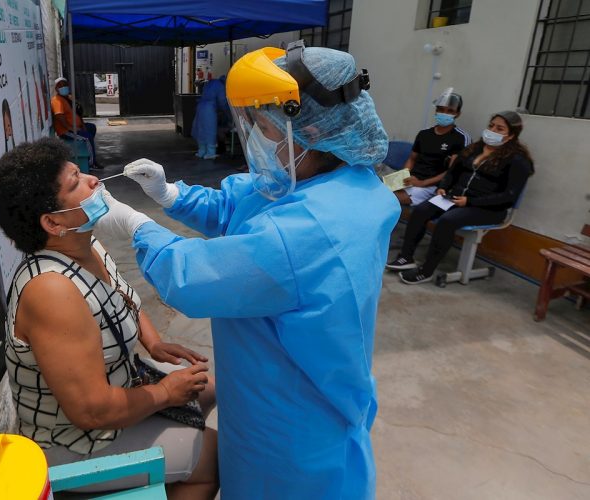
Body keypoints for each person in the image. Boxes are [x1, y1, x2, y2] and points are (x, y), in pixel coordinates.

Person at [93, 42, 400, 499]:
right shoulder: (334, 178)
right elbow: (239, 205)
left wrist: (137, 226)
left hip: (288, 416)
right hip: (272, 379)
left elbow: (193, 277)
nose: (256, 139)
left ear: (309, 129)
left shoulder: (307, 232)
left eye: (263, 128)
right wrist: (171, 195)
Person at [0, 138, 218, 499]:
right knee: (213, 458)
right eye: (76, 181)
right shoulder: (53, 292)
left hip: (120, 389)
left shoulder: (86, 244)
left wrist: (153, 342)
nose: (94, 181)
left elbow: (123, 298)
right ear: (52, 222)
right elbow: (92, 412)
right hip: (76, 443)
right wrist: (163, 392)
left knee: (213, 387)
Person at [386, 111, 534, 283]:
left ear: (511, 136)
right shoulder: (474, 149)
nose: (492, 130)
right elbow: (452, 173)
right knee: (421, 210)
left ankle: (426, 270)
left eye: (500, 128)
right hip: (455, 198)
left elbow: (509, 196)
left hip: (487, 208)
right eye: (491, 125)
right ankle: (406, 257)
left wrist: (470, 201)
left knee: (447, 221)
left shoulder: (517, 160)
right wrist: (443, 188)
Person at [394, 88, 471, 206]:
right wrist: (403, 177)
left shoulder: (460, 138)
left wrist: (422, 183)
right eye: (441, 109)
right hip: (412, 179)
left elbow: (452, 171)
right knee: (377, 191)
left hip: (431, 185)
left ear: (457, 114)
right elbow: (412, 159)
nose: (444, 113)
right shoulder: (424, 134)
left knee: (394, 199)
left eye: (450, 111)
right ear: (436, 111)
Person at [51, 77, 102, 168]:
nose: (63, 87)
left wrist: (82, 125)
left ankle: (89, 150)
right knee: (87, 138)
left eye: (65, 85)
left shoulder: (67, 99)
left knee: (91, 127)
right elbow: (59, 116)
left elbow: (77, 113)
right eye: (60, 86)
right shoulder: (57, 100)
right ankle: (91, 163)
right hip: (66, 130)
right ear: (56, 89)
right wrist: (70, 128)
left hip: (76, 126)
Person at [190, 76, 228, 159]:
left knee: (201, 130)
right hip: (209, 109)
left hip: (200, 106)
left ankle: (201, 151)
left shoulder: (210, 83)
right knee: (210, 130)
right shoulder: (221, 86)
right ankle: (210, 153)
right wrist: (227, 111)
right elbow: (223, 102)